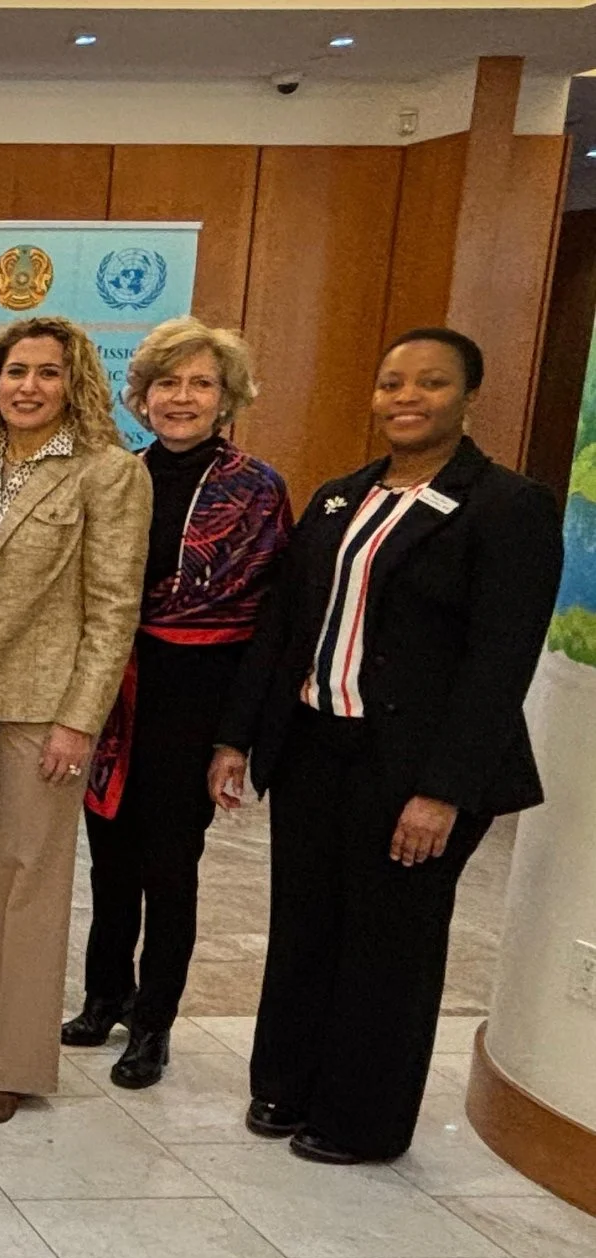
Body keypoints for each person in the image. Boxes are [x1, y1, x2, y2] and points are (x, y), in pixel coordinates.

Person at [212, 328, 560, 1165]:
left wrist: (444, 791)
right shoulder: (342, 497)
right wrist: (239, 737)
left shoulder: (507, 507)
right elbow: (286, 627)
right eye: (391, 382)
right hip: (314, 748)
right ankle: (286, 1085)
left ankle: (360, 1121)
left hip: (413, 766)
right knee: (305, 926)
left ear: (468, 395)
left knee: (388, 945)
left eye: (430, 383)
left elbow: (498, 663)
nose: (407, 397)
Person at [0, 315, 149, 1124]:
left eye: (47, 373)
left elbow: (114, 608)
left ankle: (9, 1059)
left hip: (43, 707)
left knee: (27, 879)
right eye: (15, 371)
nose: (28, 386)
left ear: (74, 382)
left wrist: (79, 721)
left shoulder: (108, 474)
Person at [64, 317, 291, 1091]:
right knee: (108, 863)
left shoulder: (257, 490)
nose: (182, 398)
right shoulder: (118, 473)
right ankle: (103, 998)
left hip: (198, 701)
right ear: (142, 395)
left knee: (171, 868)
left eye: (201, 384)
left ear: (227, 397)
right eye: (167, 383)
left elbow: (269, 629)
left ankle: (153, 1023)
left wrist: (235, 739)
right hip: (114, 692)